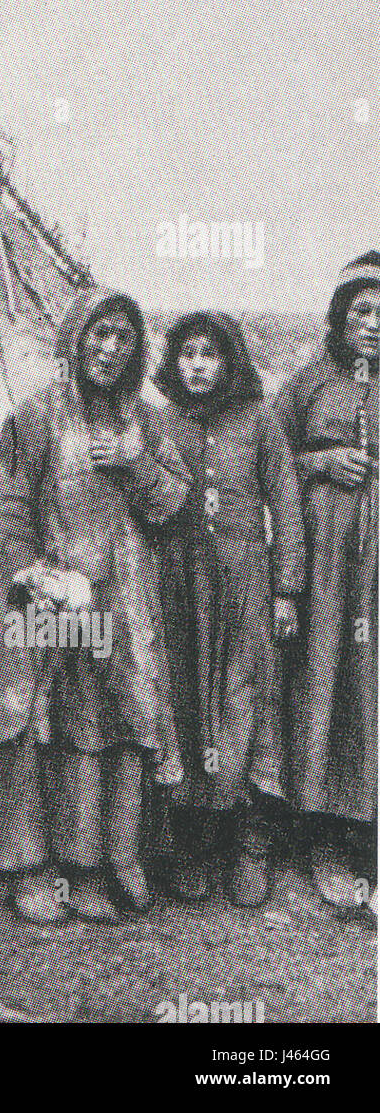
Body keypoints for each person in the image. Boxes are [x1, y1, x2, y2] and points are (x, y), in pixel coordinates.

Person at [0, 287, 190, 924]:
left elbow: (172, 502)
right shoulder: (36, 416)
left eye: (123, 338)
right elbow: (8, 509)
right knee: (32, 721)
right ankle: (29, 868)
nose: (110, 348)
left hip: (118, 606)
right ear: (76, 337)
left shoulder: (147, 421)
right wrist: (34, 574)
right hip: (49, 598)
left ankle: (90, 862)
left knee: (100, 727)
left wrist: (136, 464)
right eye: (99, 334)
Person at [152, 312, 304, 907]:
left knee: (247, 697)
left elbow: (287, 507)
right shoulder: (162, 423)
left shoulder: (261, 423)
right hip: (181, 580)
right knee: (188, 698)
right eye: (187, 353)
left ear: (230, 361)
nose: (197, 365)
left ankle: (251, 840)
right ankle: (195, 841)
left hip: (244, 579)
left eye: (210, 354)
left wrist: (286, 591)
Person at [275, 251, 379, 908]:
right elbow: (269, 456)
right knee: (326, 679)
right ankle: (321, 834)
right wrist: (320, 459)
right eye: (362, 311)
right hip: (327, 564)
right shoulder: (309, 383)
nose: (373, 324)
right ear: (340, 319)